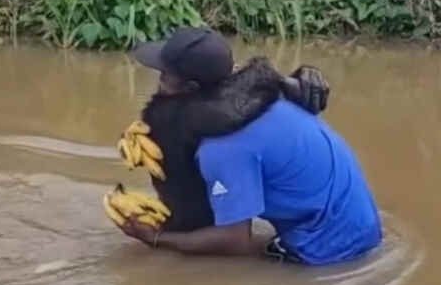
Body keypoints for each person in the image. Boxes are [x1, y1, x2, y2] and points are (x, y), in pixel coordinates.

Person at [118, 27, 383, 265]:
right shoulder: (262, 96)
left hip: (332, 247)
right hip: (357, 219)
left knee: (205, 267)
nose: (159, 84)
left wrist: (156, 238)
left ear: (191, 87)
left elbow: (235, 241)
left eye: (165, 77)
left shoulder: (222, 148)